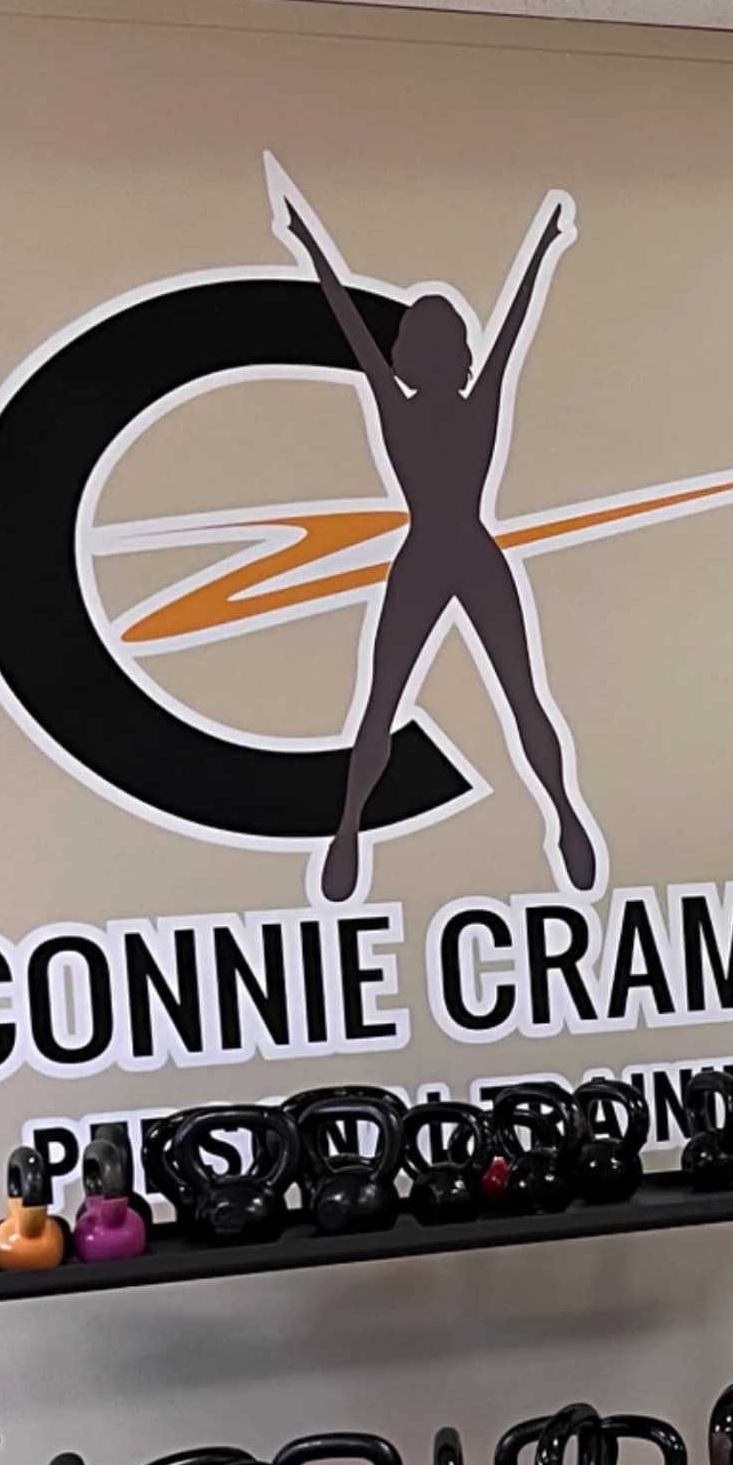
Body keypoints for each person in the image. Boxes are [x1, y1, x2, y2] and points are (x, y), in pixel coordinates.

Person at [265, 156, 603, 904]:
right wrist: (543, 248)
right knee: (500, 698)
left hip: (434, 555)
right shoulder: (467, 404)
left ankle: (359, 830)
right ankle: (554, 814)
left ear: (413, 355)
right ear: (452, 354)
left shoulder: (400, 406)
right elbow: (504, 328)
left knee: (404, 702)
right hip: (463, 554)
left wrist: (311, 247)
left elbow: (354, 325)